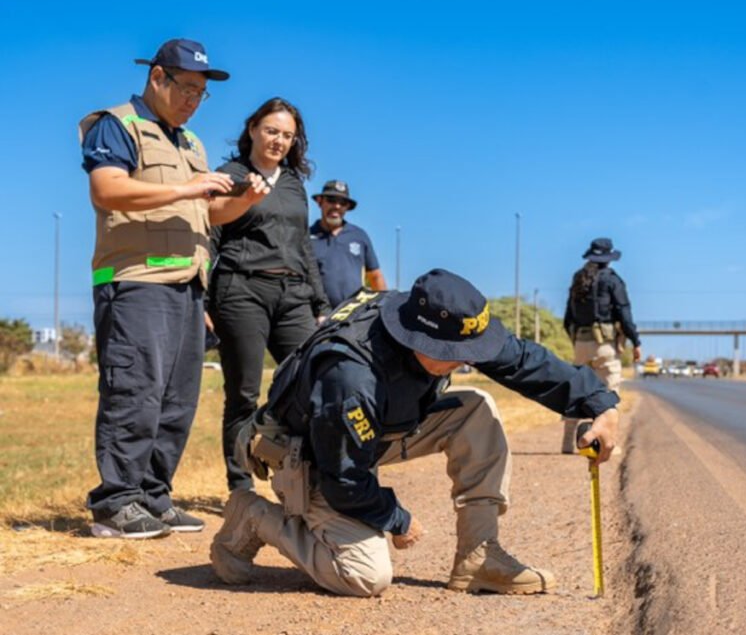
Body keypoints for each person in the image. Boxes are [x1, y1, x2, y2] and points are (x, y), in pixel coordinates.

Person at [210, 269, 619, 596]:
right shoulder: (350, 375)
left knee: (475, 408)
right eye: (454, 355)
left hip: (375, 431)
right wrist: (396, 518)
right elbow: (345, 480)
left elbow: (523, 361)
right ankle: (256, 515)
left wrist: (599, 402)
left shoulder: (439, 320)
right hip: (310, 455)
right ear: (417, 338)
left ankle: (479, 557)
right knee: (365, 577)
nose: (464, 362)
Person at [79, 38, 269, 539]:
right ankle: (115, 503)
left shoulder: (191, 144)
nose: (193, 100)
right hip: (136, 281)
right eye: (186, 88)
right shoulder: (117, 125)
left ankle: (153, 496)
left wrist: (244, 200)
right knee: (135, 392)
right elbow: (107, 190)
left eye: (201, 94)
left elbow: (209, 214)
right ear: (157, 77)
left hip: (188, 284)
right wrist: (188, 187)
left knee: (176, 400)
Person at [208, 97, 332, 493]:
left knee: (311, 382)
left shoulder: (295, 184)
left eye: (288, 135)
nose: (279, 140)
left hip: (293, 292)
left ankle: (303, 476)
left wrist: (321, 304)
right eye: (272, 131)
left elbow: (304, 248)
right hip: (241, 289)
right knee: (243, 393)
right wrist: (201, 299)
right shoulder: (229, 175)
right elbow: (209, 235)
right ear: (253, 130)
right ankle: (240, 486)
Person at [561, 237, 641, 453]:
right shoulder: (612, 280)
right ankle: (608, 443)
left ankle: (567, 443)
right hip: (604, 345)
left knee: (576, 389)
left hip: (580, 342)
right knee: (610, 390)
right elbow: (624, 313)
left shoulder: (578, 278)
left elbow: (567, 319)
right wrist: (636, 341)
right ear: (609, 258)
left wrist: (577, 340)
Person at [309, 180, 386, 308]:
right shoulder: (306, 237)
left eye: (342, 202)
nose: (337, 206)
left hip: (352, 317)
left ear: (347, 207)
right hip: (317, 316)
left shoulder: (359, 235)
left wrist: (382, 307)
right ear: (319, 201)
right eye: (331, 200)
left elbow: (375, 276)